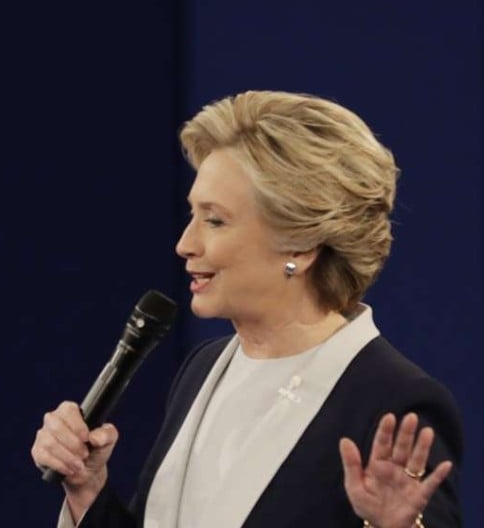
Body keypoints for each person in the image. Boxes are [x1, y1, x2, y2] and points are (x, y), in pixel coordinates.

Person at [31, 91, 462, 527]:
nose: (185, 244)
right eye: (192, 215)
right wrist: (88, 490)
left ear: (300, 244)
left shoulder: (394, 401)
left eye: (214, 220)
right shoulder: (204, 368)